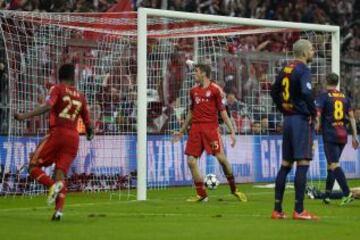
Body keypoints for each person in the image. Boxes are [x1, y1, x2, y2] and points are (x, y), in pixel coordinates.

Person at [14, 63, 93, 221]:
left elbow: (47, 106)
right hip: (74, 138)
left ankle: (51, 186)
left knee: (33, 166)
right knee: (60, 173)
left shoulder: (58, 88)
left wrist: (24, 116)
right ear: (73, 77)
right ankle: (58, 211)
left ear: (60, 76)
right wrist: (90, 135)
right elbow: (89, 125)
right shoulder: (81, 96)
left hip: (58, 132)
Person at [172, 63, 247, 202]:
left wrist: (232, 131)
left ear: (204, 74)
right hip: (195, 129)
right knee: (191, 161)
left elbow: (223, 112)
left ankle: (234, 189)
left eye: (196, 72)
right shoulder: (193, 91)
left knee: (221, 159)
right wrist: (182, 131)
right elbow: (191, 112)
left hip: (210, 129)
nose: (194, 74)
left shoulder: (215, 90)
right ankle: (201, 194)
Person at [270, 39, 319, 220]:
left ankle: (277, 209)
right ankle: (299, 210)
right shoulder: (303, 69)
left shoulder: (285, 68)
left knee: (285, 164)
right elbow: (306, 93)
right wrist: (314, 113)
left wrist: (283, 108)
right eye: (312, 49)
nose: (313, 52)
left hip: (288, 120)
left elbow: (274, 91)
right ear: (305, 53)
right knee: (303, 163)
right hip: (300, 120)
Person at [315, 73, 359, 205]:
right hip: (343, 135)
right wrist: (355, 136)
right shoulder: (344, 97)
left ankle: (347, 193)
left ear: (326, 81)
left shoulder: (323, 97)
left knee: (334, 164)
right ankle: (327, 195)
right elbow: (351, 118)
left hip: (330, 134)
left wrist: (316, 126)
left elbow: (317, 114)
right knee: (331, 165)